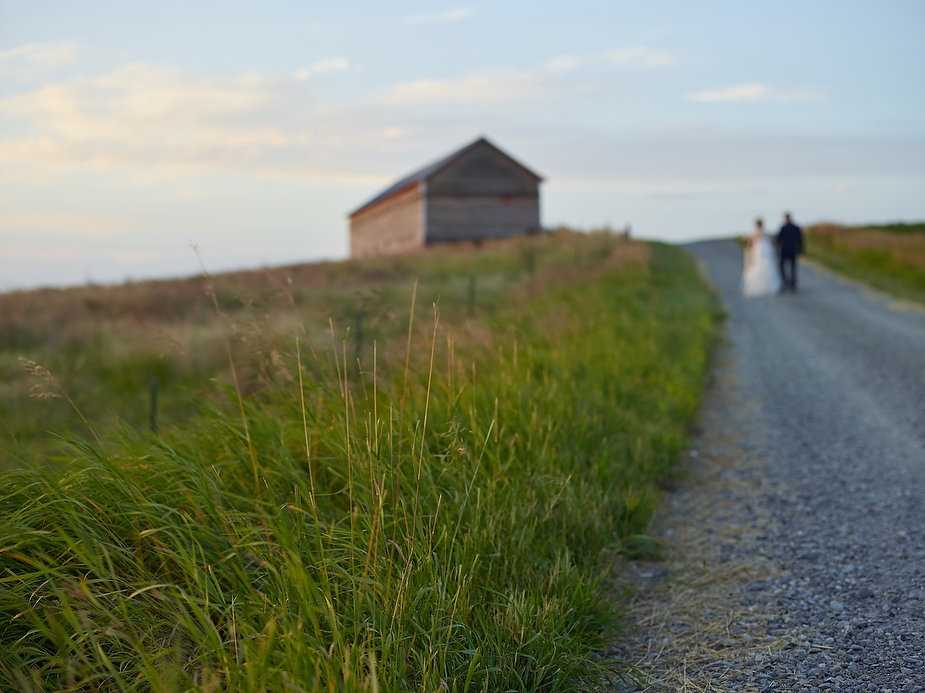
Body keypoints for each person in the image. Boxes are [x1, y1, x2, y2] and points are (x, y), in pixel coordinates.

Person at [741, 218, 782, 297]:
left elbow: (749, 244)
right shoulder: (765, 233)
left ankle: (758, 286)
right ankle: (769, 287)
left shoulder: (754, 234)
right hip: (765, 252)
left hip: (758, 252)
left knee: (757, 266)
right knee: (768, 267)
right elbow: (773, 241)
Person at [776, 212, 803, 292]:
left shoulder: (783, 228)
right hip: (793, 250)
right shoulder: (796, 228)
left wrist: (777, 249)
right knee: (793, 267)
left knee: (782, 266)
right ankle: (792, 284)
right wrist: (800, 250)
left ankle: (785, 281)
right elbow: (800, 240)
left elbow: (778, 240)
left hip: (784, 250)